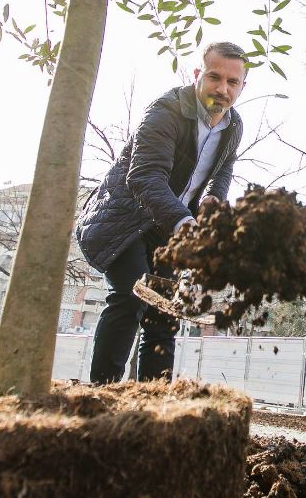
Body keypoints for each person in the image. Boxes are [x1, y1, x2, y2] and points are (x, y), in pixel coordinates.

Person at [76, 41, 247, 384]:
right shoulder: (166, 111)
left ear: (242, 86)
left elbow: (222, 172)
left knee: (164, 314)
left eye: (232, 82)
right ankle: (101, 395)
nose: (222, 89)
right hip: (127, 218)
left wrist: (212, 204)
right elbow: (144, 176)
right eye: (214, 77)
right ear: (198, 75)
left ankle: (152, 401)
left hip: (168, 230)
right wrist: (186, 222)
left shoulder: (233, 126)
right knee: (131, 295)